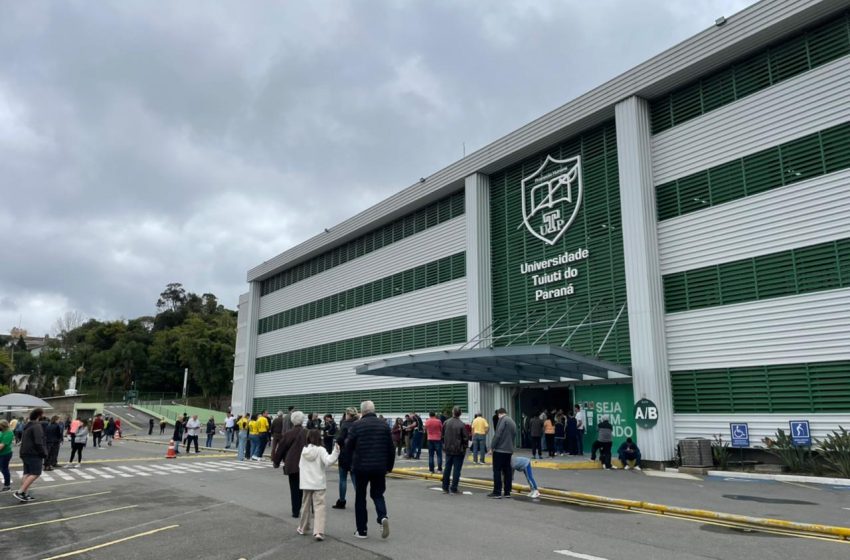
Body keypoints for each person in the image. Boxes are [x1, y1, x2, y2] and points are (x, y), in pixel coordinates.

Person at [345, 400, 393, 539]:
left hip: (361, 467)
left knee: (360, 497)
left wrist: (348, 464)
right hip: (379, 467)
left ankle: (362, 531)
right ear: (373, 410)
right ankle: (382, 516)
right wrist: (389, 467)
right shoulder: (384, 425)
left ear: (362, 412)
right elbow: (391, 448)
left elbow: (348, 446)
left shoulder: (357, 425)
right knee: (378, 494)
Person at [297, 429, 340, 541]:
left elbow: (300, 466)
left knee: (305, 505)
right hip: (318, 482)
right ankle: (319, 532)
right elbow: (328, 461)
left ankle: (303, 527)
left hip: (306, 482)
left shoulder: (304, 450)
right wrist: (336, 452)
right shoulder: (321, 450)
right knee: (319, 507)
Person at [275, 411, 308, 518]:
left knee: (294, 488)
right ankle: (307, 508)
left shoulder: (288, 434)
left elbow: (281, 449)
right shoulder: (308, 432)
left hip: (292, 464)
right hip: (306, 464)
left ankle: (295, 510)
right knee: (306, 488)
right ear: (302, 420)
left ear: (292, 421)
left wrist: (276, 461)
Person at [15, 408, 47, 502]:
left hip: (25, 452)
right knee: (36, 473)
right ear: (39, 416)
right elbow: (38, 442)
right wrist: (44, 453)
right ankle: (20, 492)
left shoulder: (27, 425)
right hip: (34, 453)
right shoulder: (37, 426)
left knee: (27, 473)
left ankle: (24, 493)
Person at [487, 408, 516, 499]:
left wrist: (492, 446)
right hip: (509, 450)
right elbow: (514, 434)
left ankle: (497, 492)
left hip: (500, 450)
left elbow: (498, 434)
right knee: (507, 471)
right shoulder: (512, 421)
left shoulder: (502, 420)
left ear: (499, 414)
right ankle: (507, 492)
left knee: (497, 471)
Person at [332, 407, 358, 510]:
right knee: (355, 479)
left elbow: (340, 439)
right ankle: (360, 500)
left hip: (345, 454)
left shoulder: (345, 424)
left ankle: (342, 501)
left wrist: (337, 442)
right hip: (356, 455)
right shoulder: (359, 423)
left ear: (348, 414)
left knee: (343, 479)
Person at [441, 406, 468, 494]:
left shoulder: (446, 422)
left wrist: (444, 445)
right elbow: (465, 438)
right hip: (458, 450)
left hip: (448, 449)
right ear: (460, 413)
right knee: (456, 470)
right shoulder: (461, 424)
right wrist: (464, 448)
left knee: (447, 468)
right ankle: (454, 487)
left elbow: (442, 435)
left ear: (453, 412)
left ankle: (445, 487)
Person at [0, 419, 13, 492]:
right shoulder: (2, 432)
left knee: (4, 469)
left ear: (3, 426)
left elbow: (1, 446)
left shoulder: (8, 433)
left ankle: (7, 486)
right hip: (1, 454)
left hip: (5, 454)